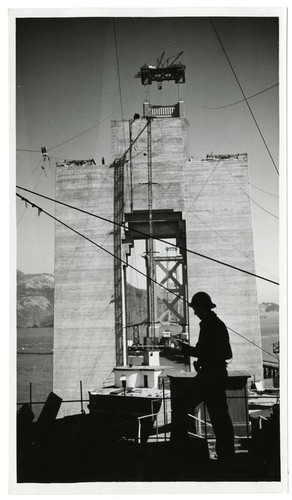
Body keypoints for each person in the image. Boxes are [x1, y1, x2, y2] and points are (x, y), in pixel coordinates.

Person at [173, 291, 235, 462]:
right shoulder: (215, 324)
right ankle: (226, 456)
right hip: (214, 376)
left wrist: (185, 349)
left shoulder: (209, 325)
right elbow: (223, 352)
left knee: (181, 404)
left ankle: (182, 451)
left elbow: (204, 351)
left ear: (202, 308)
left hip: (210, 378)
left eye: (195, 308)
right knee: (220, 416)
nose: (194, 312)